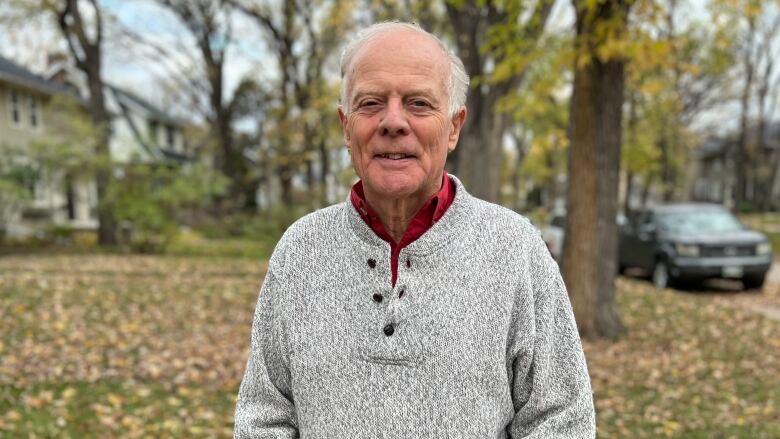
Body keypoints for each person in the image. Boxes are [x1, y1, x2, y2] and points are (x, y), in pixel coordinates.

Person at [234, 21, 595, 438]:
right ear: (345, 127)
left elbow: (560, 420)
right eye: (370, 103)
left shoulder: (515, 250)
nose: (393, 121)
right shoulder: (299, 250)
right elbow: (265, 417)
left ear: (454, 127)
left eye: (418, 104)